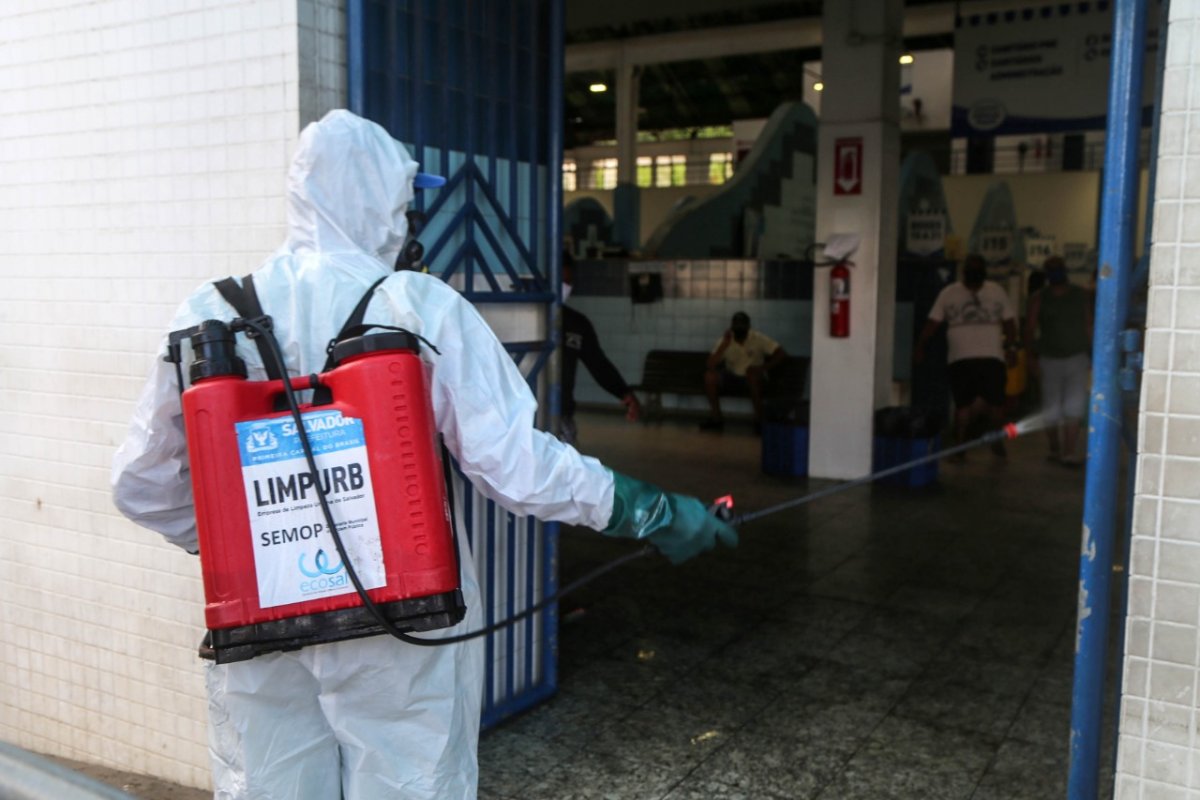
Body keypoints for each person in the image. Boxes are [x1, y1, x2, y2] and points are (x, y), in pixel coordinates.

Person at [110, 110, 736, 800]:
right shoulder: (417, 307)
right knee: (412, 784)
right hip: (402, 621)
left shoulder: (207, 314)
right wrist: (649, 511)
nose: (408, 220)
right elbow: (519, 467)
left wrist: (254, 545)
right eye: (405, 202)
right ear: (381, 201)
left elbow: (139, 484)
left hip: (262, 624)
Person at [914, 253, 1019, 459]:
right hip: (961, 359)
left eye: (978, 269)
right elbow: (932, 323)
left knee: (996, 405)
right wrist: (920, 346)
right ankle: (960, 446)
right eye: (971, 269)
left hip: (992, 357)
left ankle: (995, 439)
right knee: (963, 405)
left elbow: (1009, 322)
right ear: (964, 272)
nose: (974, 273)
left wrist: (1012, 347)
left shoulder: (996, 291)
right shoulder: (948, 293)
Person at [559, 252, 640, 445]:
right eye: (560, 281)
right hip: (523, 416)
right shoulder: (525, 320)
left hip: (561, 416)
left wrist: (624, 392)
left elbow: (598, 364)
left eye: (568, 282)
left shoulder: (576, 324)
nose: (564, 288)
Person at [1024, 255, 1092, 465]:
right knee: (1051, 409)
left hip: (1077, 357)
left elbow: (1089, 324)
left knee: (1074, 406)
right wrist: (1030, 357)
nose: (1055, 272)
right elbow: (1029, 328)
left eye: (1058, 268)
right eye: (1051, 269)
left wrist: (1094, 355)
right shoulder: (1039, 298)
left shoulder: (1081, 295)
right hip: (1049, 359)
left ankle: (1069, 452)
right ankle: (1055, 448)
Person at [701, 311, 786, 433]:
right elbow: (710, 365)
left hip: (754, 378)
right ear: (732, 326)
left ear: (748, 326)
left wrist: (762, 368)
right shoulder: (725, 341)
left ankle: (759, 421)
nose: (739, 328)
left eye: (742, 325)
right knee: (709, 376)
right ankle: (716, 419)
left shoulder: (758, 338)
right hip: (732, 376)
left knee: (752, 375)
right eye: (736, 325)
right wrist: (723, 346)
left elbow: (781, 354)